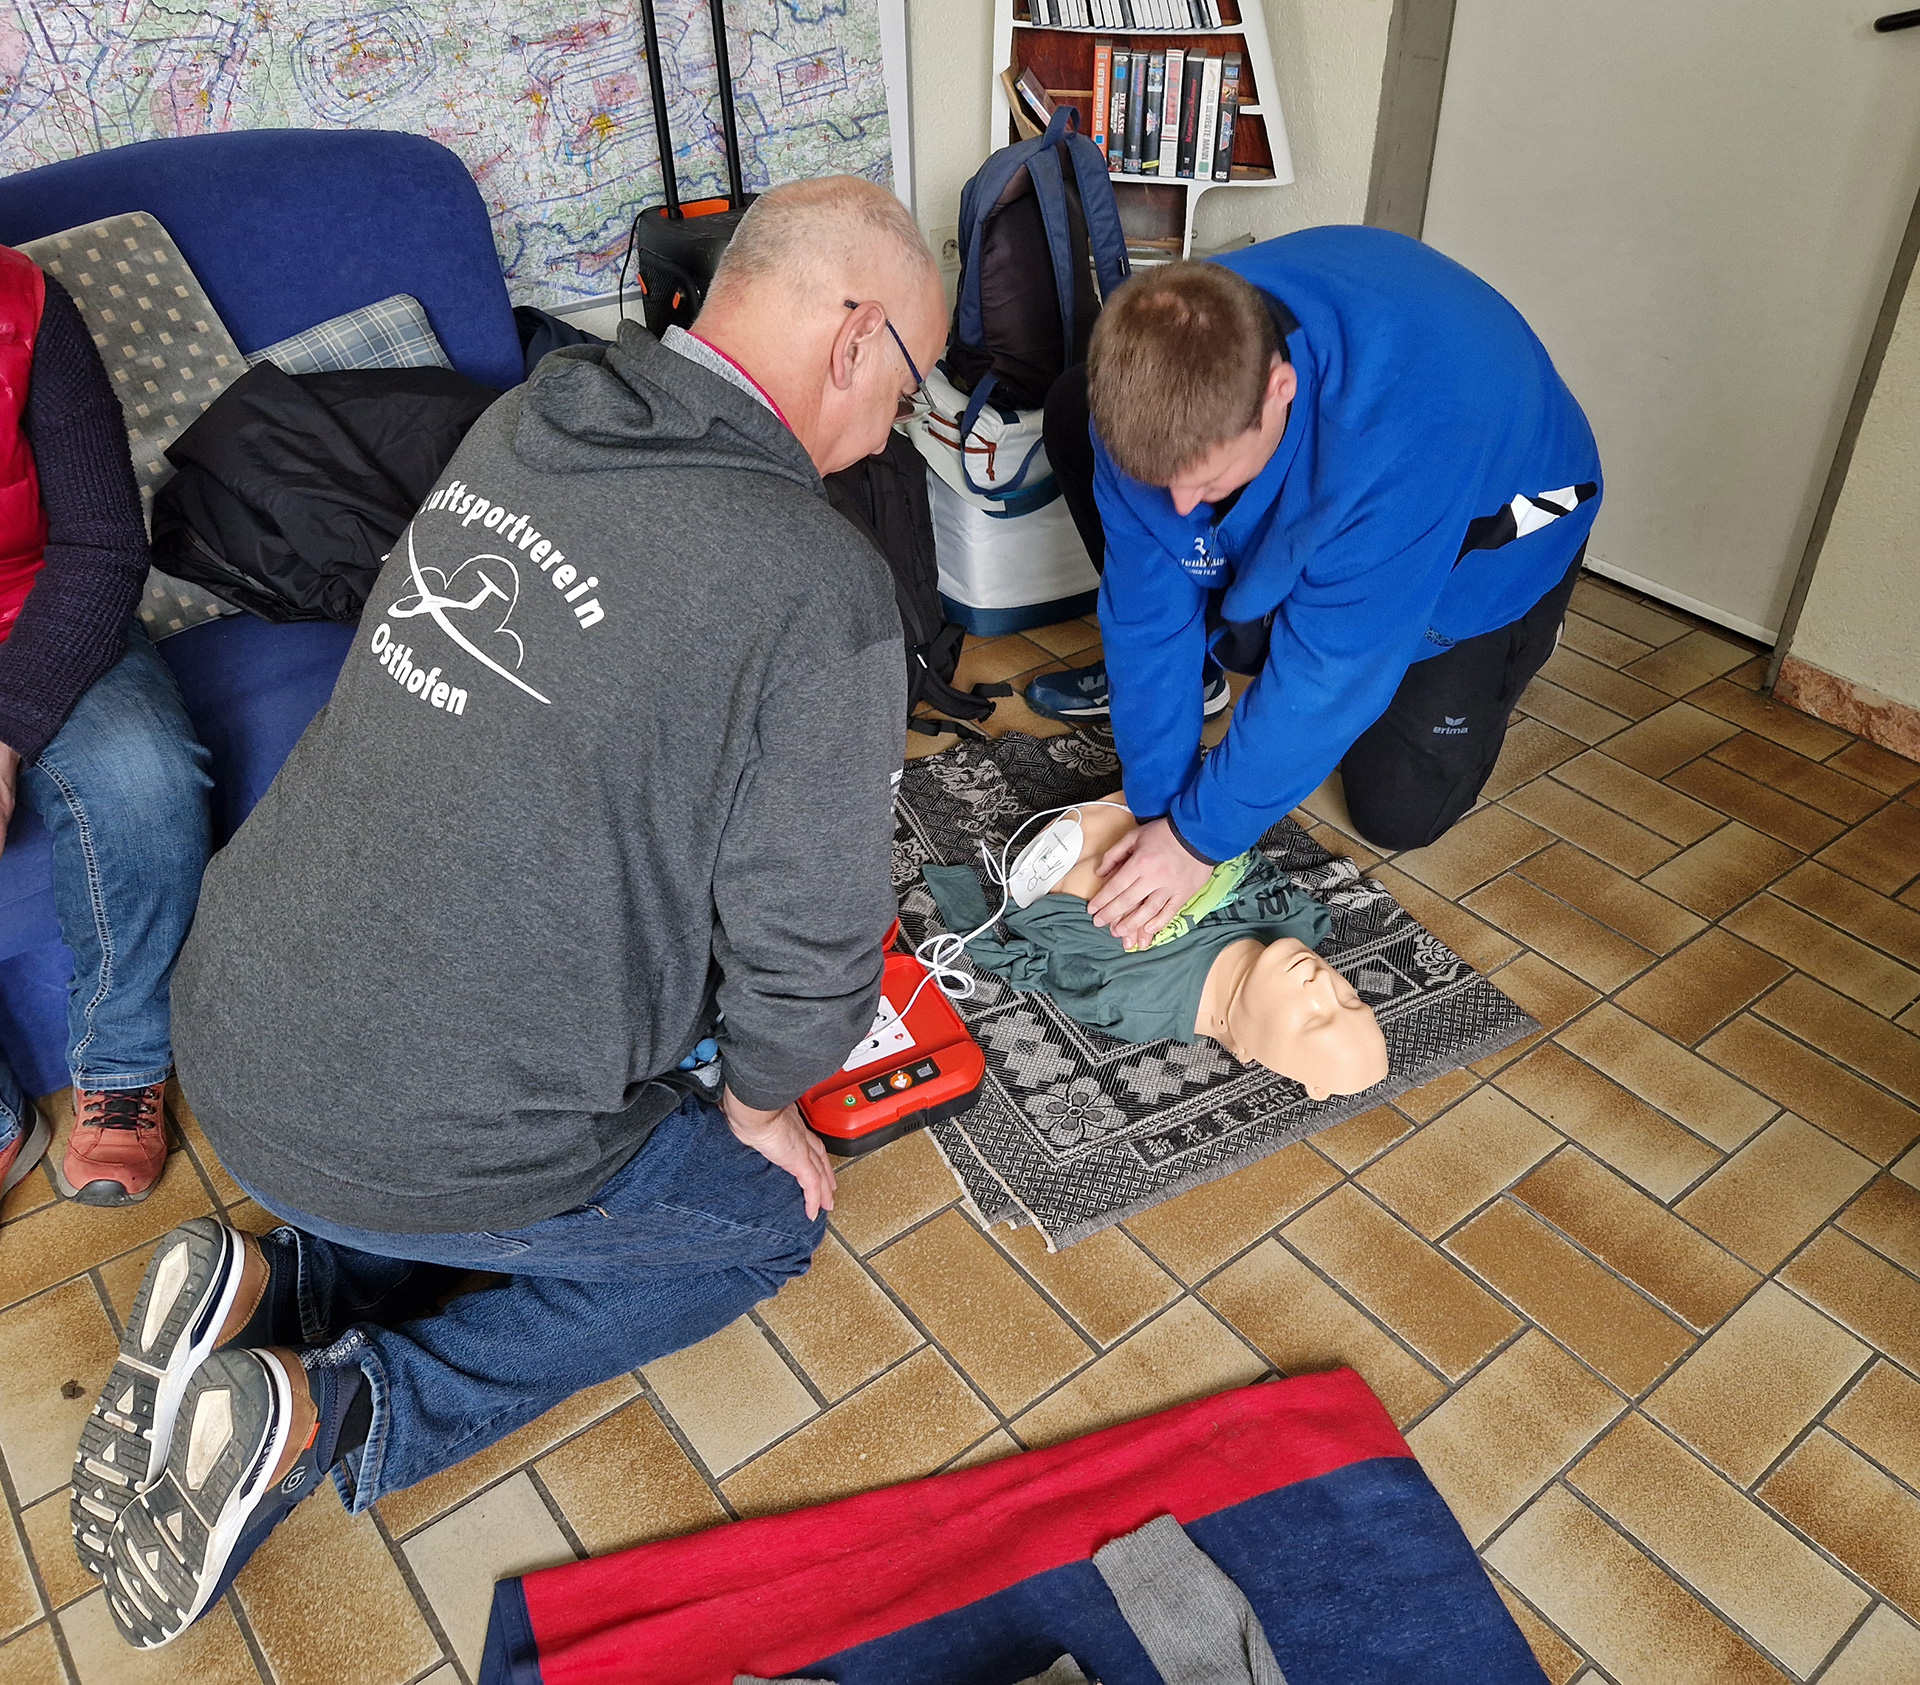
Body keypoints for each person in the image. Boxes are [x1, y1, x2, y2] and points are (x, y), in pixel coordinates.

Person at [76, 177, 946, 1650]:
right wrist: (763, 1107)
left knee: (483, 1103)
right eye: (906, 393)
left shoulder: (532, 419)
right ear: (856, 338)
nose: (883, 437)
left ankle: (267, 1287)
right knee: (752, 1227)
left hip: (229, 1030)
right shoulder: (821, 587)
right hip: (401, 1135)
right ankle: (332, 1405)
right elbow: (809, 951)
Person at [1023, 230, 1600, 949]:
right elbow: (1147, 620)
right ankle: (1245, 625)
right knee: (1071, 410)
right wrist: (1156, 806)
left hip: (1491, 538)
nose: (1178, 507)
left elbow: (1329, 679)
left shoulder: (1400, 437)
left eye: (1205, 481)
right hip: (1342, 486)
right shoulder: (1150, 388)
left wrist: (1199, 839)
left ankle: (1514, 640)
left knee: (1398, 812)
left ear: (1279, 392)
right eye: (1161, 483)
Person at [0, 244, 211, 1210]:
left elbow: (100, 541)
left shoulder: (25, 304)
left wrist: (7, 737)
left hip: (45, 605)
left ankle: (123, 1065)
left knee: (144, 772)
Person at [921, 795, 1387, 1100]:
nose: (1320, 983)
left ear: (1243, 1047)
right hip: (1179, 791)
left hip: (1115, 818)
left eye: (1312, 1018)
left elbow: (1051, 916)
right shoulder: (1301, 921)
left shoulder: (1131, 993)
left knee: (1108, 895)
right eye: (1349, 998)